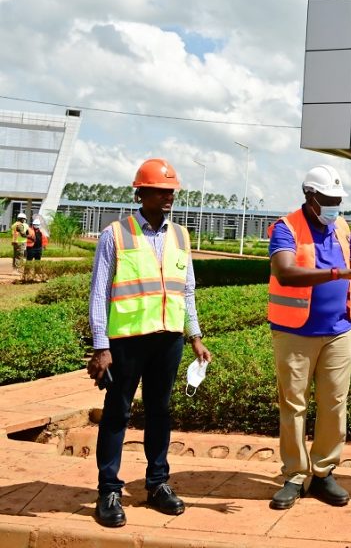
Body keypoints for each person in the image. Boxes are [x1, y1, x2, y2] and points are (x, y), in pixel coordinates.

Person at [86, 158, 212, 528]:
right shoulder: (115, 234)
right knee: (117, 413)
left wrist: (195, 336)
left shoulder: (181, 236)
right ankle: (109, 489)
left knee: (160, 411)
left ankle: (157, 484)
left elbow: (186, 290)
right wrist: (100, 346)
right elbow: (99, 293)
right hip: (127, 341)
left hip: (168, 341)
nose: (169, 196)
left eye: (171, 190)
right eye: (161, 190)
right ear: (141, 193)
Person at [267, 164, 351, 510]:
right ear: (310, 197)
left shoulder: (343, 228)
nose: (334, 206)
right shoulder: (286, 229)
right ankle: (295, 475)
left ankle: (324, 471)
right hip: (295, 332)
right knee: (294, 404)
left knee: (334, 404)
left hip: (338, 331)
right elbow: (285, 272)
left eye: (338, 200)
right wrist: (335, 273)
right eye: (328, 199)